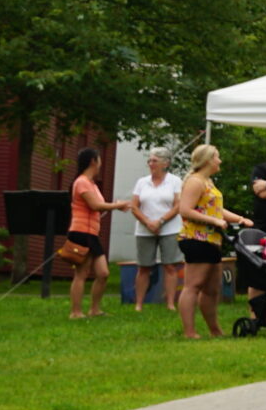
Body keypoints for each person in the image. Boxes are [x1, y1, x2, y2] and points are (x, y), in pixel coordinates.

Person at [172, 143, 250, 341]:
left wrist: (239, 219)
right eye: (217, 157)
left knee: (212, 289)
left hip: (212, 240)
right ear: (207, 160)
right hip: (196, 239)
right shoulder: (195, 182)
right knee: (193, 285)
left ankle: (215, 330)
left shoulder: (208, 182)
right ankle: (190, 332)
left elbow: (215, 209)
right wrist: (214, 221)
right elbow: (185, 210)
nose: (220, 161)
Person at [63, 147, 130, 320]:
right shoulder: (82, 182)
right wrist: (117, 205)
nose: (100, 163)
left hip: (92, 233)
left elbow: (99, 207)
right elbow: (95, 206)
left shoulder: (92, 184)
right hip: (80, 232)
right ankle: (75, 312)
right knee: (81, 274)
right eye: (99, 159)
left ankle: (94, 309)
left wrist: (113, 205)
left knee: (103, 273)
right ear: (93, 161)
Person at [126, 150, 184, 312]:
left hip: (170, 229)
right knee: (143, 267)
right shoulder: (142, 182)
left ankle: (170, 303)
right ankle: (139, 304)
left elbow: (178, 205)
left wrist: (161, 221)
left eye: (154, 161)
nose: (151, 164)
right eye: (149, 161)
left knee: (170, 266)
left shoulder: (175, 181)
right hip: (145, 230)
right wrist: (148, 223)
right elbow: (134, 206)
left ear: (165, 163)